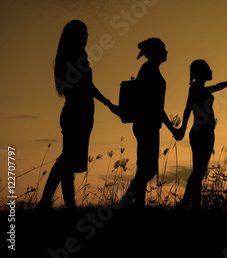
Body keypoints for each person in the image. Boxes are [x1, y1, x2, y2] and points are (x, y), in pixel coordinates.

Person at [38, 20, 118, 210]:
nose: (87, 36)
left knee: (69, 162)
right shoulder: (77, 56)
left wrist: (105, 103)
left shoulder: (70, 56)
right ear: (76, 36)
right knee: (66, 160)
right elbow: (87, 86)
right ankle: (44, 202)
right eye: (83, 32)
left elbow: (85, 86)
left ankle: (69, 206)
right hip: (78, 114)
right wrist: (107, 103)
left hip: (77, 112)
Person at [176, 59, 227, 210]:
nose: (211, 71)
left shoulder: (201, 88)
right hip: (201, 133)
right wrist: (182, 129)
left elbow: (217, 87)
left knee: (199, 171)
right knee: (199, 171)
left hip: (206, 132)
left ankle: (192, 204)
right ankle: (188, 203)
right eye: (208, 69)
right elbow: (187, 109)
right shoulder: (195, 88)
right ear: (201, 73)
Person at [121, 38, 180, 207]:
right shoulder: (150, 70)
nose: (167, 52)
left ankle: (138, 207)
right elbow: (154, 105)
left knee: (143, 169)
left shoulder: (149, 69)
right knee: (149, 169)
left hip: (147, 123)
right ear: (156, 52)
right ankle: (122, 205)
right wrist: (172, 129)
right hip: (148, 124)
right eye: (164, 49)